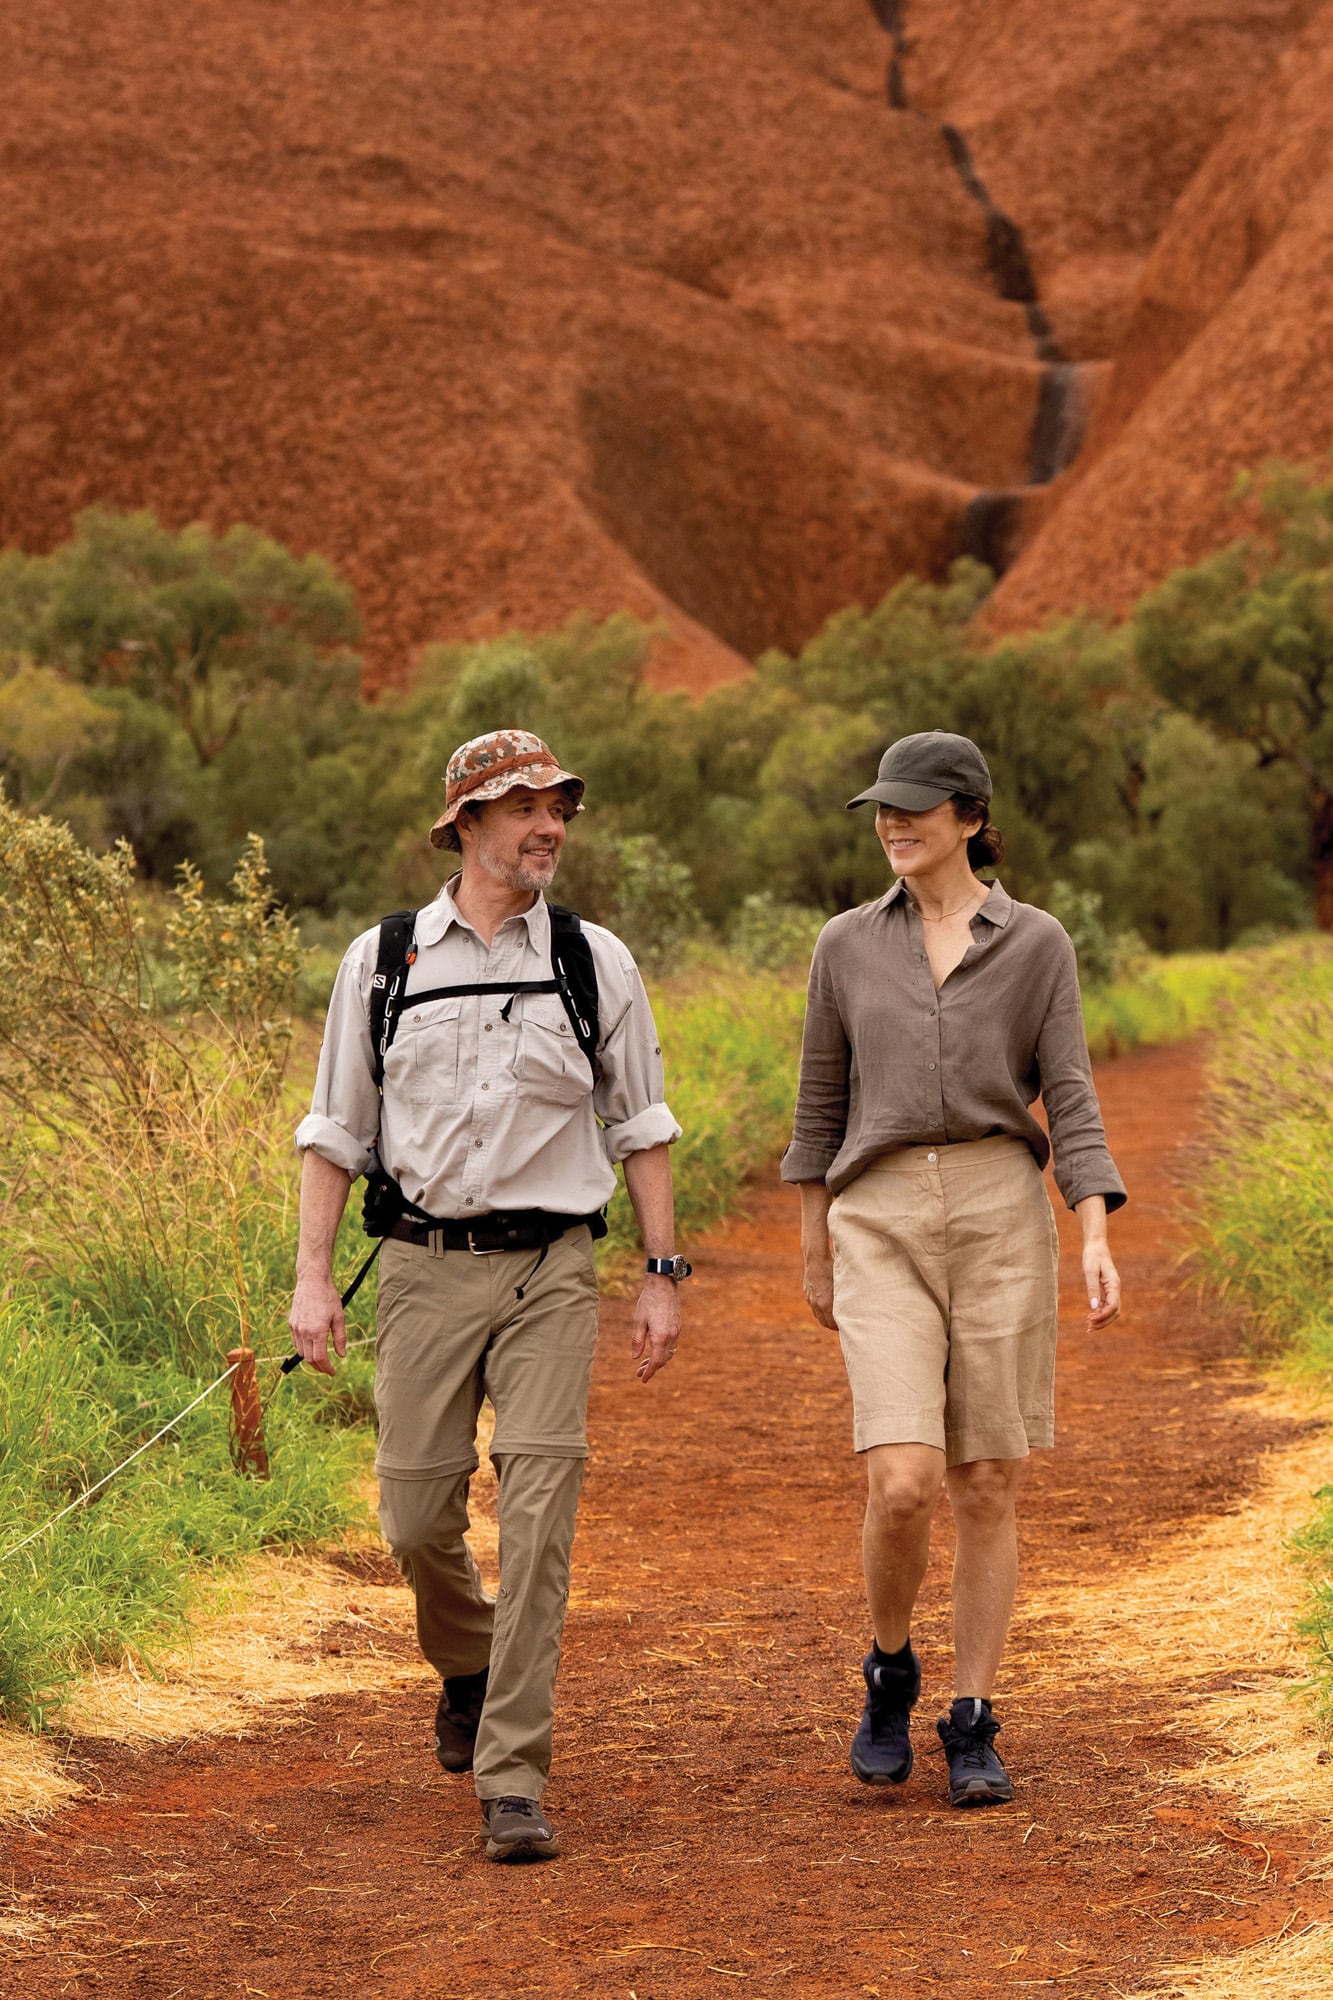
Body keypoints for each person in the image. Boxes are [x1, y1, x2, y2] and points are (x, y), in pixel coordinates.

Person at [287, 729, 690, 1861]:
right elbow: (335, 1132)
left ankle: (512, 1774)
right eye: (521, 806)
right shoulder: (382, 960)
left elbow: (641, 1123)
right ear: (464, 824)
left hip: (550, 1267)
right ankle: (466, 1662)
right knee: (415, 1515)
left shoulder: (591, 957)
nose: (547, 824)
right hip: (418, 1267)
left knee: (538, 1511)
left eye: (557, 804)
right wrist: (312, 1278)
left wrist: (660, 1274)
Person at [781, 730, 1125, 1808]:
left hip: (996, 1208)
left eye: (914, 807)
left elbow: (1066, 1091)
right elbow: (817, 1105)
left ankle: (973, 1713)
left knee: (987, 1477)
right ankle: (889, 1666)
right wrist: (811, 1235)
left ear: (968, 817)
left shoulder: (1036, 943)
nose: (892, 822)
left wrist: (1096, 1227)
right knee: (902, 1481)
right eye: (882, 806)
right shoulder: (843, 944)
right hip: (875, 1211)